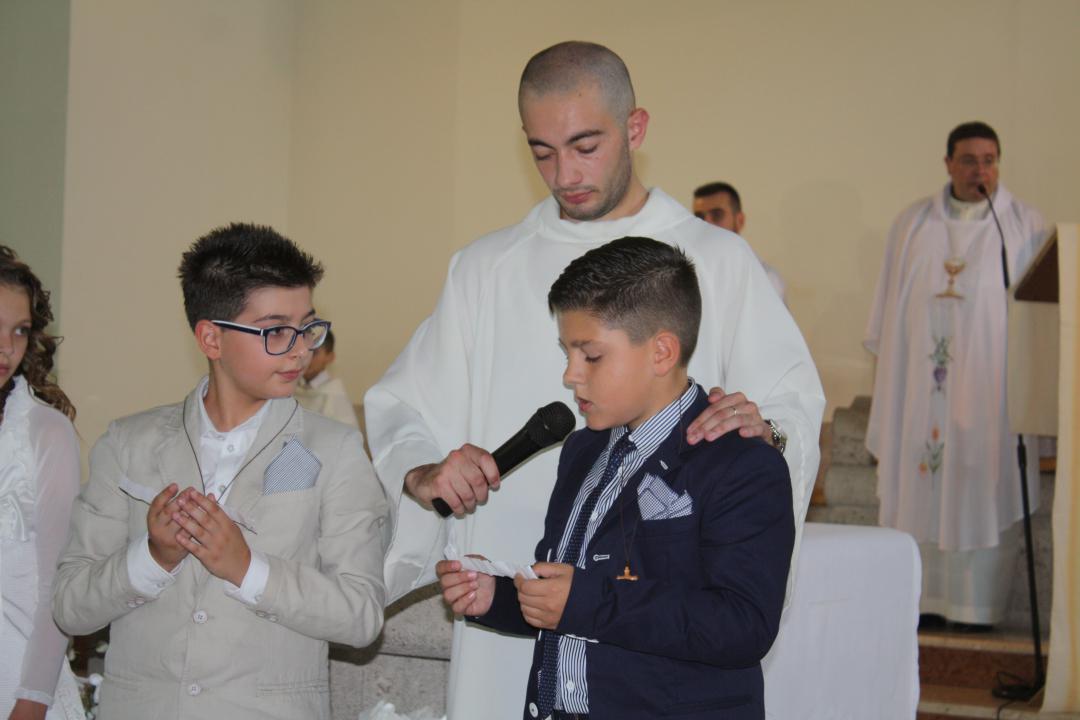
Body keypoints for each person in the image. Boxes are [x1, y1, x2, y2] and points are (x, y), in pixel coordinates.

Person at [364, 41, 824, 719]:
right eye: (542, 152)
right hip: (508, 581)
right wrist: (425, 470)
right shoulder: (485, 268)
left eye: (586, 146)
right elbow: (403, 404)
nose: (565, 173)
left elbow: (787, 409)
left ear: (635, 128)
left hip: (656, 638)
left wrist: (768, 428)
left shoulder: (717, 260)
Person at [438, 238, 794, 720]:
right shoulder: (582, 450)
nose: (570, 375)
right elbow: (571, 597)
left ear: (661, 352)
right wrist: (497, 596)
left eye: (591, 356)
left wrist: (585, 601)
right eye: (566, 353)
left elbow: (743, 625)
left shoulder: (739, 462)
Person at [52, 224, 389, 720]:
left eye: (308, 328)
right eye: (276, 331)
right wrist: (151, 558)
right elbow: (69, 606)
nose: (301, 349)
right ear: (211, 337)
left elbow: (361, 616)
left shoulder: (334, 449)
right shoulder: (129, 443)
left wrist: (247, 568)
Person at [865, 121, 1050, 627]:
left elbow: (1037, 325)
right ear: (948, 163)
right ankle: (922, 603)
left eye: (989, 160)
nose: (980, 170)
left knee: (980, 489)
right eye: (969, 160)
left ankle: (976, 608)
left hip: (989, 399)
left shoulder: (1024, 225)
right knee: (920, 488)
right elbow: (888, 316)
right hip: (918, 395)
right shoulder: (912, 224)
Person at [0, 247, 84, 720]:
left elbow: (59, 581)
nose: (6, 347)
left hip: (19, 689)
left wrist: (31, 702)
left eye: (19, 330)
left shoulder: (46, 432)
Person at [692, 182, 786, 302]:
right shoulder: (688, 277)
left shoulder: (766, 280)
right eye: (699, 217)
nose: (706, 223)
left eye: (717, 215)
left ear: (739, 221)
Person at [295, 329, 361, 428]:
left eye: (315, 353)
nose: (307, 358)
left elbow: (348, 435)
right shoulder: (290, 390)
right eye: (304, 352)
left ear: (330, 357)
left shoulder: (335, 395)